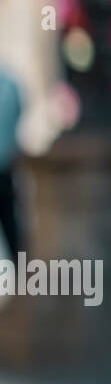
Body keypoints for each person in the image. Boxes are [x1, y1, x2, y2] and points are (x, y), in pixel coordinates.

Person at [0, 63, 24, 263]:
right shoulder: (11, 84)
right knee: (9, 220)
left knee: (9, 220)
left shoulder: (9, 84)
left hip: (4, 167)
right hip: (5, 165)